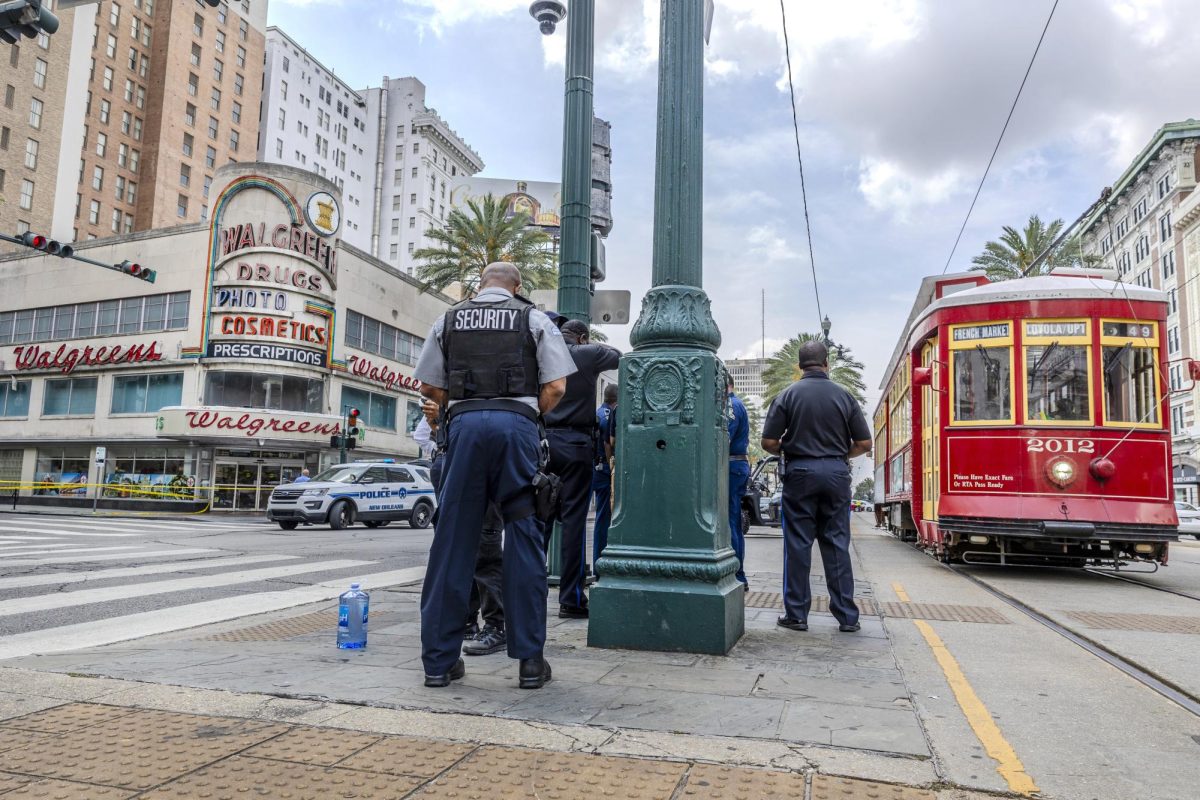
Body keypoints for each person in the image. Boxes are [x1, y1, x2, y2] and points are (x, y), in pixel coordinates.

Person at [414, 262, 576, 690]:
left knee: (452, 540)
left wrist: (460, 406)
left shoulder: (448, 319)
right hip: (516, 429)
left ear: (479, 285)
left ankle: (439, 663)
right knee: (523, 535)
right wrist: (525, 414)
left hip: (463, 428)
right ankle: (529, 663)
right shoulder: (534, 319)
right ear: (517, 287)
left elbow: (429, 387)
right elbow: (557, 387)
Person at [761, 340, 872, 634]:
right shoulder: (845, 397)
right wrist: (837, 455)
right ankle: (848, 617)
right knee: (837, 544)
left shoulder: (787, 395)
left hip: (799, 473)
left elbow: (769, 442)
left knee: (797, 545)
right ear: (826, 364)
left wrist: (794, 446)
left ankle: (796, 615)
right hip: (836, 474)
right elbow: (864, 443)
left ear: (799, 366)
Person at [542, 319, 621, 618]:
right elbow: (619, 356)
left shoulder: (541, 351)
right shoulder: (585, 354)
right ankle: (571, 599)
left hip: (543, 444)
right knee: (574, 524)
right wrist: (588, 347)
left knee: (539, 522)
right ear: (582, 337)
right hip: (576, 445)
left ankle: (529, 594)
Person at [421, 397, 507, 657]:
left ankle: (495, 624)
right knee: (457, 551)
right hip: (451, 460)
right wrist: (438, 422)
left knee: (485, 546)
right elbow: (427, 433)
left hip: (480, 459)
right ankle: (468, 621)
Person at [726, 374, 751, 591]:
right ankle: (738, 573)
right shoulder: (736, 404)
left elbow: (723, 439)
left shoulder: (730, 405)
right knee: (732, 519)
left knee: (730, 521)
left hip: (731, 467)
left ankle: (737, 574)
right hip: (736, 466)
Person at [591, 383, 618, 572]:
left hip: (596, 467)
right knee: (604, 517)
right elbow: (609, 442)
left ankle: (597, 562)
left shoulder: (598, 413)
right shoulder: (610, 415)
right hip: (605, 470)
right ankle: (600, 561)